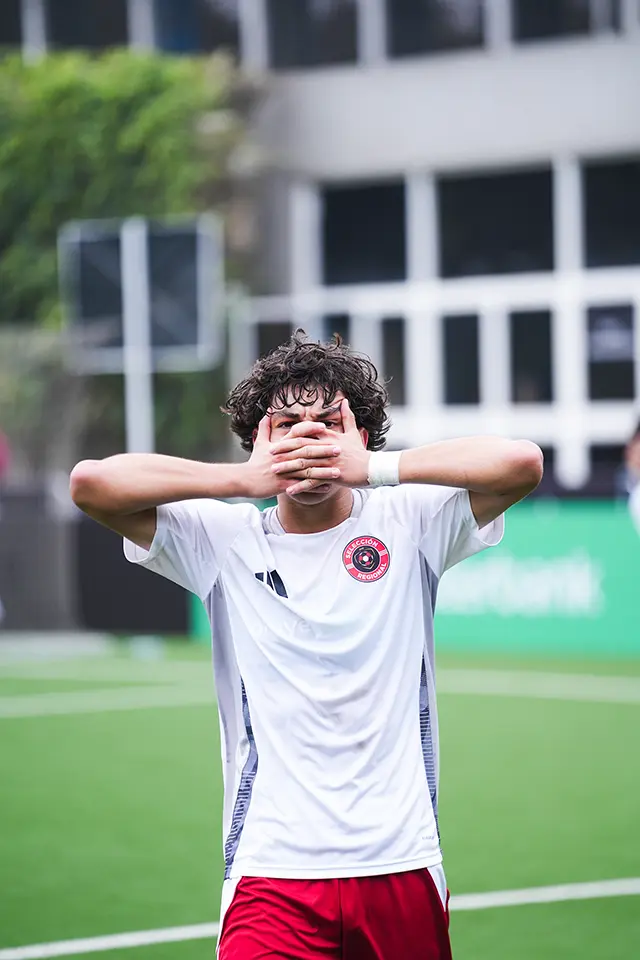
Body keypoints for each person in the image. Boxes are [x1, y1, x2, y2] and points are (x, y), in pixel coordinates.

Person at [70, 333, 543, 960]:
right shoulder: (223, 539)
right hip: (272, 875)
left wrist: (373, 468)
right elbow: (91, 483)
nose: (308, 440)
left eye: (329, 423)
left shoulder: (410, 523)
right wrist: (240, 481)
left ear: (362, 434)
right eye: (287, 424)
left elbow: (522, 463)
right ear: (259, 440)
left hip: (400, 862)